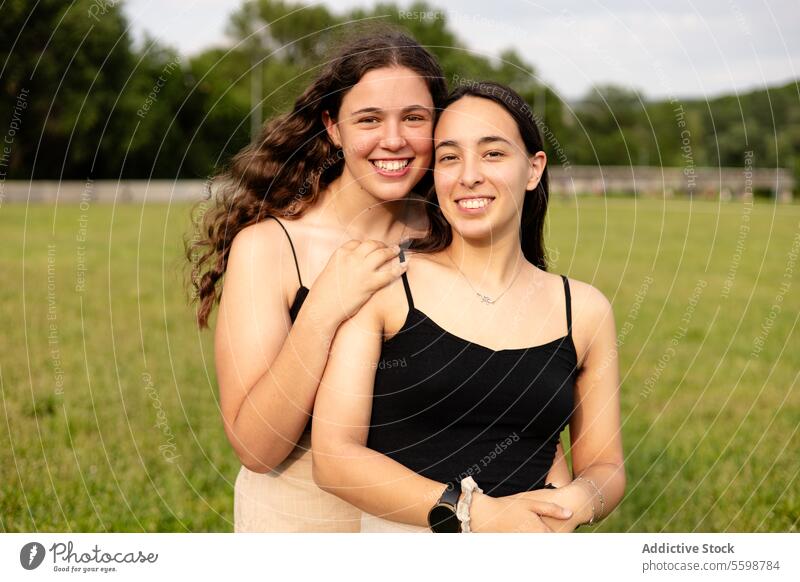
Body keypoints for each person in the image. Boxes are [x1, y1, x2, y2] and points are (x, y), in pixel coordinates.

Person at [311, 81, 625, 532]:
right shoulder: (384, 286)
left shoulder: (585, 310)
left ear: (534, 169)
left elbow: (604, 464)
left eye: (493, 153)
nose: (469, 175)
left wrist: (580, 499)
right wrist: (474, 513)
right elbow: (334, 458)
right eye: (449, 157)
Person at [186, 28, 447, 532]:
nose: (393, 140)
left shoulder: (451, 239)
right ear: (333, 127)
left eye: (414, 118)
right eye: (368, 119)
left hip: (418, 528)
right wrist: (325, 305)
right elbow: (257, 448)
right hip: (299, 527)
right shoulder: (270, 248)